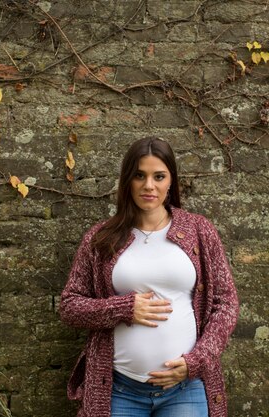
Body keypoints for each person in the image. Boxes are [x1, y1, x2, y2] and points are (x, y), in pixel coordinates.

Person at [59, 137, 239, 417]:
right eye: (139, 176)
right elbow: (70, 306)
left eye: (159, 176)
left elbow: (226, 304)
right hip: (118, 389)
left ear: (171, 181)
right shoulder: (100, 238)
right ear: (127, 180)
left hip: (185, 389)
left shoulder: (199, 231)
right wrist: (123, 308)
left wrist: (197, 361)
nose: (149, 186)